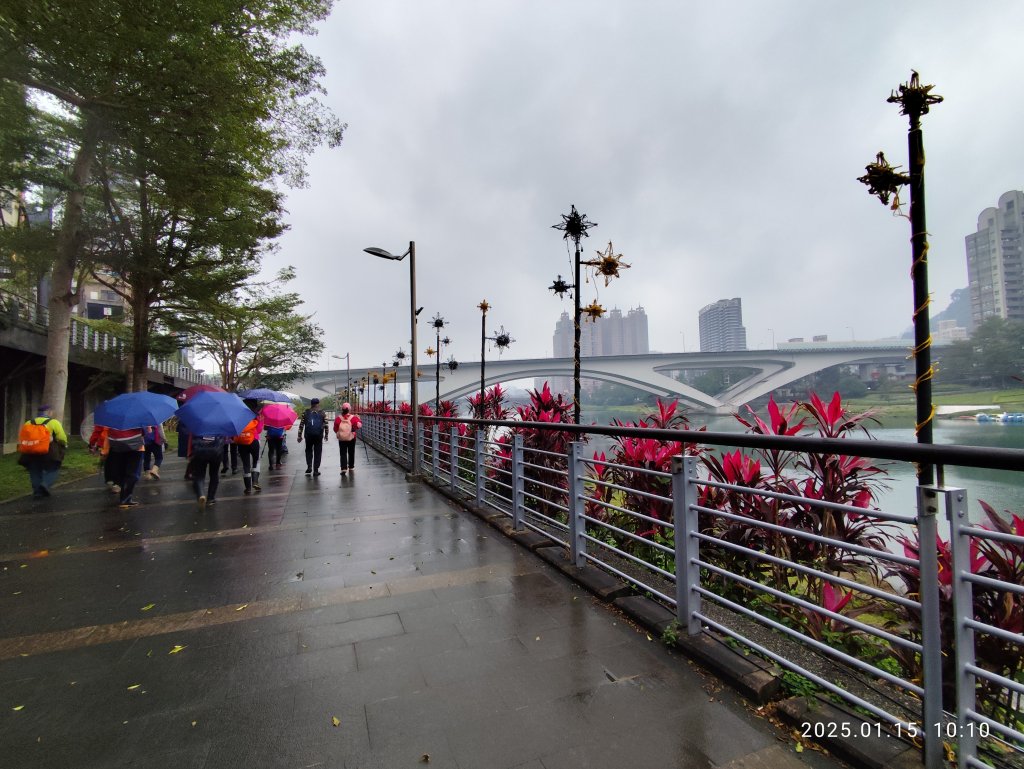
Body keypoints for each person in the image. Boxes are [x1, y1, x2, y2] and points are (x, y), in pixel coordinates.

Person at [18, 404, 68, 498]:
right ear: (49, 412)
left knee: (34, 470)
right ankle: (45, 484)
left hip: (31, 451)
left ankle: (37, 492)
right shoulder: (53, 422)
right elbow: (61, 437)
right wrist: (64, 444)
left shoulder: (28, 422)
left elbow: (23, 436)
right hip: (49, 452)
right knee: (53, 468)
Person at [106, 426, 146, 508]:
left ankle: (123, 498)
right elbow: (145, 431)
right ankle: (126, 499)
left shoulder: (112, 416)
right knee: (133, 473)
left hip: (117, 444)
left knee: (122, 470)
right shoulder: (137, 415)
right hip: (135, 446)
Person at [189, 432, 227, 509]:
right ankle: (210, 498)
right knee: (214, 474)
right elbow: (225, 439)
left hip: (200, 451)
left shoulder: (197, 422)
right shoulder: (220, 423)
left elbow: (191, 437)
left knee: (199, 475)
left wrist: (190, 452)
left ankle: (201, 494)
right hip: (215, 452)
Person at [236, 398, 264, 494]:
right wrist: (260, 421)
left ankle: (248, 488)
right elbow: (259, 430)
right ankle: (255, 481)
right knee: (256, 460)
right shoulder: (257, 415)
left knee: (246, 464)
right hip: (254, 441)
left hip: (241, 442)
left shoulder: (239, 415)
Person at [297, 398, 328, 476]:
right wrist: (326, 435)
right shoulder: (322, 413)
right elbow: (326, 425)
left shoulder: (306, 412)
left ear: (311, 404)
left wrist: (299, 436)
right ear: (318, 404)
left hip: (308, 435)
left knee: (308, 450)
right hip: (318, 435)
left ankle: (309, 466)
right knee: (318, 452)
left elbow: (301, 425)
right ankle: (316, 470)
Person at [88, 423, 118, 493]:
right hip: (117, 442)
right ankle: (116, 482)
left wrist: (91, 443)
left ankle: (109, 480)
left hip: (105, 443)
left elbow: (97, 432)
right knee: (116, 461)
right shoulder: (121, 417)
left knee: (107, 462)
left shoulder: (102, 419)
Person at [333, 402, 362, 475]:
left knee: (343, 453)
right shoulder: (354, 418)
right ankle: (351, 466)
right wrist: (359, 419)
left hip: (342, 438)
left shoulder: (338, 419)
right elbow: (359, 426)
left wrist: (340, 433)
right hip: (352, 437)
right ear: (349, 409)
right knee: (351, 452)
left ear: (342, 409)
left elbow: (335, 429)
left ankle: (343, 468)